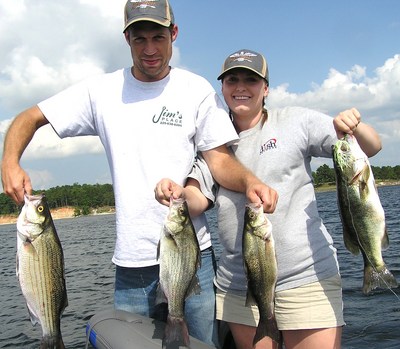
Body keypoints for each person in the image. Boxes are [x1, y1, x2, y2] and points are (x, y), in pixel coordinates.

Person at [1, 2, 279, 346]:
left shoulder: (197, 90)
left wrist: (251, 182)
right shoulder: (99, 92)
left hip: (191, 255)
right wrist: (10, 162)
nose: (150, 49)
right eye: (139, 39)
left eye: (158, 38)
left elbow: (219, 160)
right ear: (127, 39)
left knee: (203, 344)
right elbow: (30, 116)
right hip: (131, 264)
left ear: (173, 35)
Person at [155, 48, 382, 349]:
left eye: (251, 80)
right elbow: (196, 199)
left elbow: (371, 147)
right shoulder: (213, 145)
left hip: (307, 278)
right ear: (222, 87)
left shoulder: (295, 121)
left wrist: (354, 126)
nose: (240, 87)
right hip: (240, 287)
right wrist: (177, 195)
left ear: (266, 88)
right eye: (231, 80)